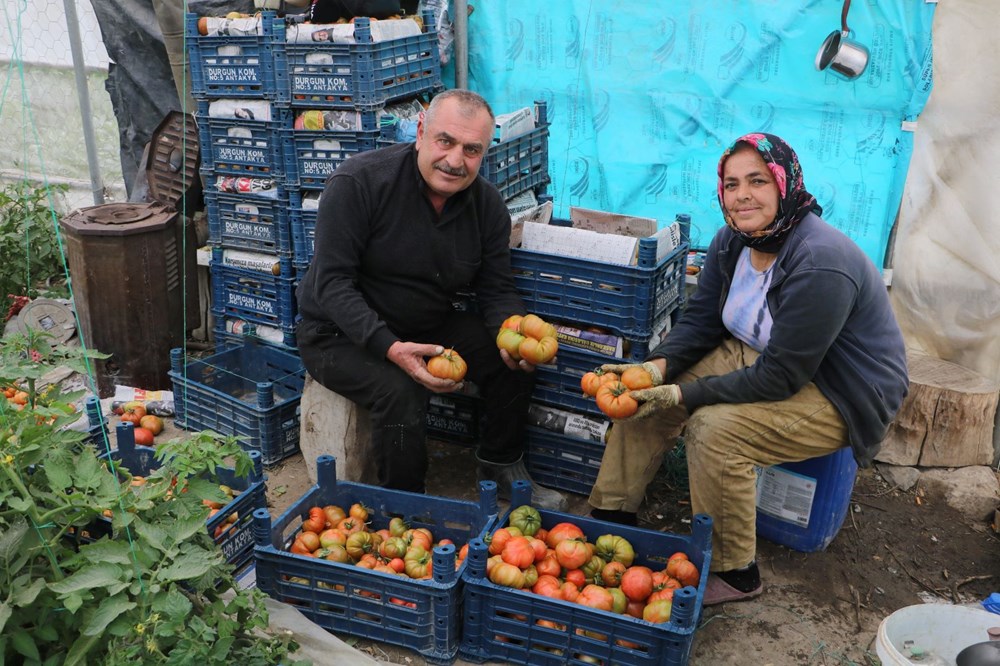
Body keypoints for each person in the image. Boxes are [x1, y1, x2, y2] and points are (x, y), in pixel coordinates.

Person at [587, 132, 908, 605]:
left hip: (839, 387)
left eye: (757, 180)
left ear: (784, 183)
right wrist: (656, 370)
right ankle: (612, 518)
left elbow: (782, 376)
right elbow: (699, 323)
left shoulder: (821, 261)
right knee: (639, 395)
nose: (742, 195)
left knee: (715, 431)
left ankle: (736, 571)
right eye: (731, 183)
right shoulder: (732, 241)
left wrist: (682, 395)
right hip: (757, 353)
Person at [296, 89, 566, 511]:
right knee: (400, 389)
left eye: (472, 149)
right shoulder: (360, 182)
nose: (456, 160)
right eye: (446, 141)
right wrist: (389, 346)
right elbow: (332, 284)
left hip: (424, 323)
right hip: (337, 334)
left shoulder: (487, 207)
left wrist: (513, 333)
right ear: (421, 132)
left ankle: (499, 462)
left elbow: (496, 290)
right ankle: (405, 507)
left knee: (508, 359)